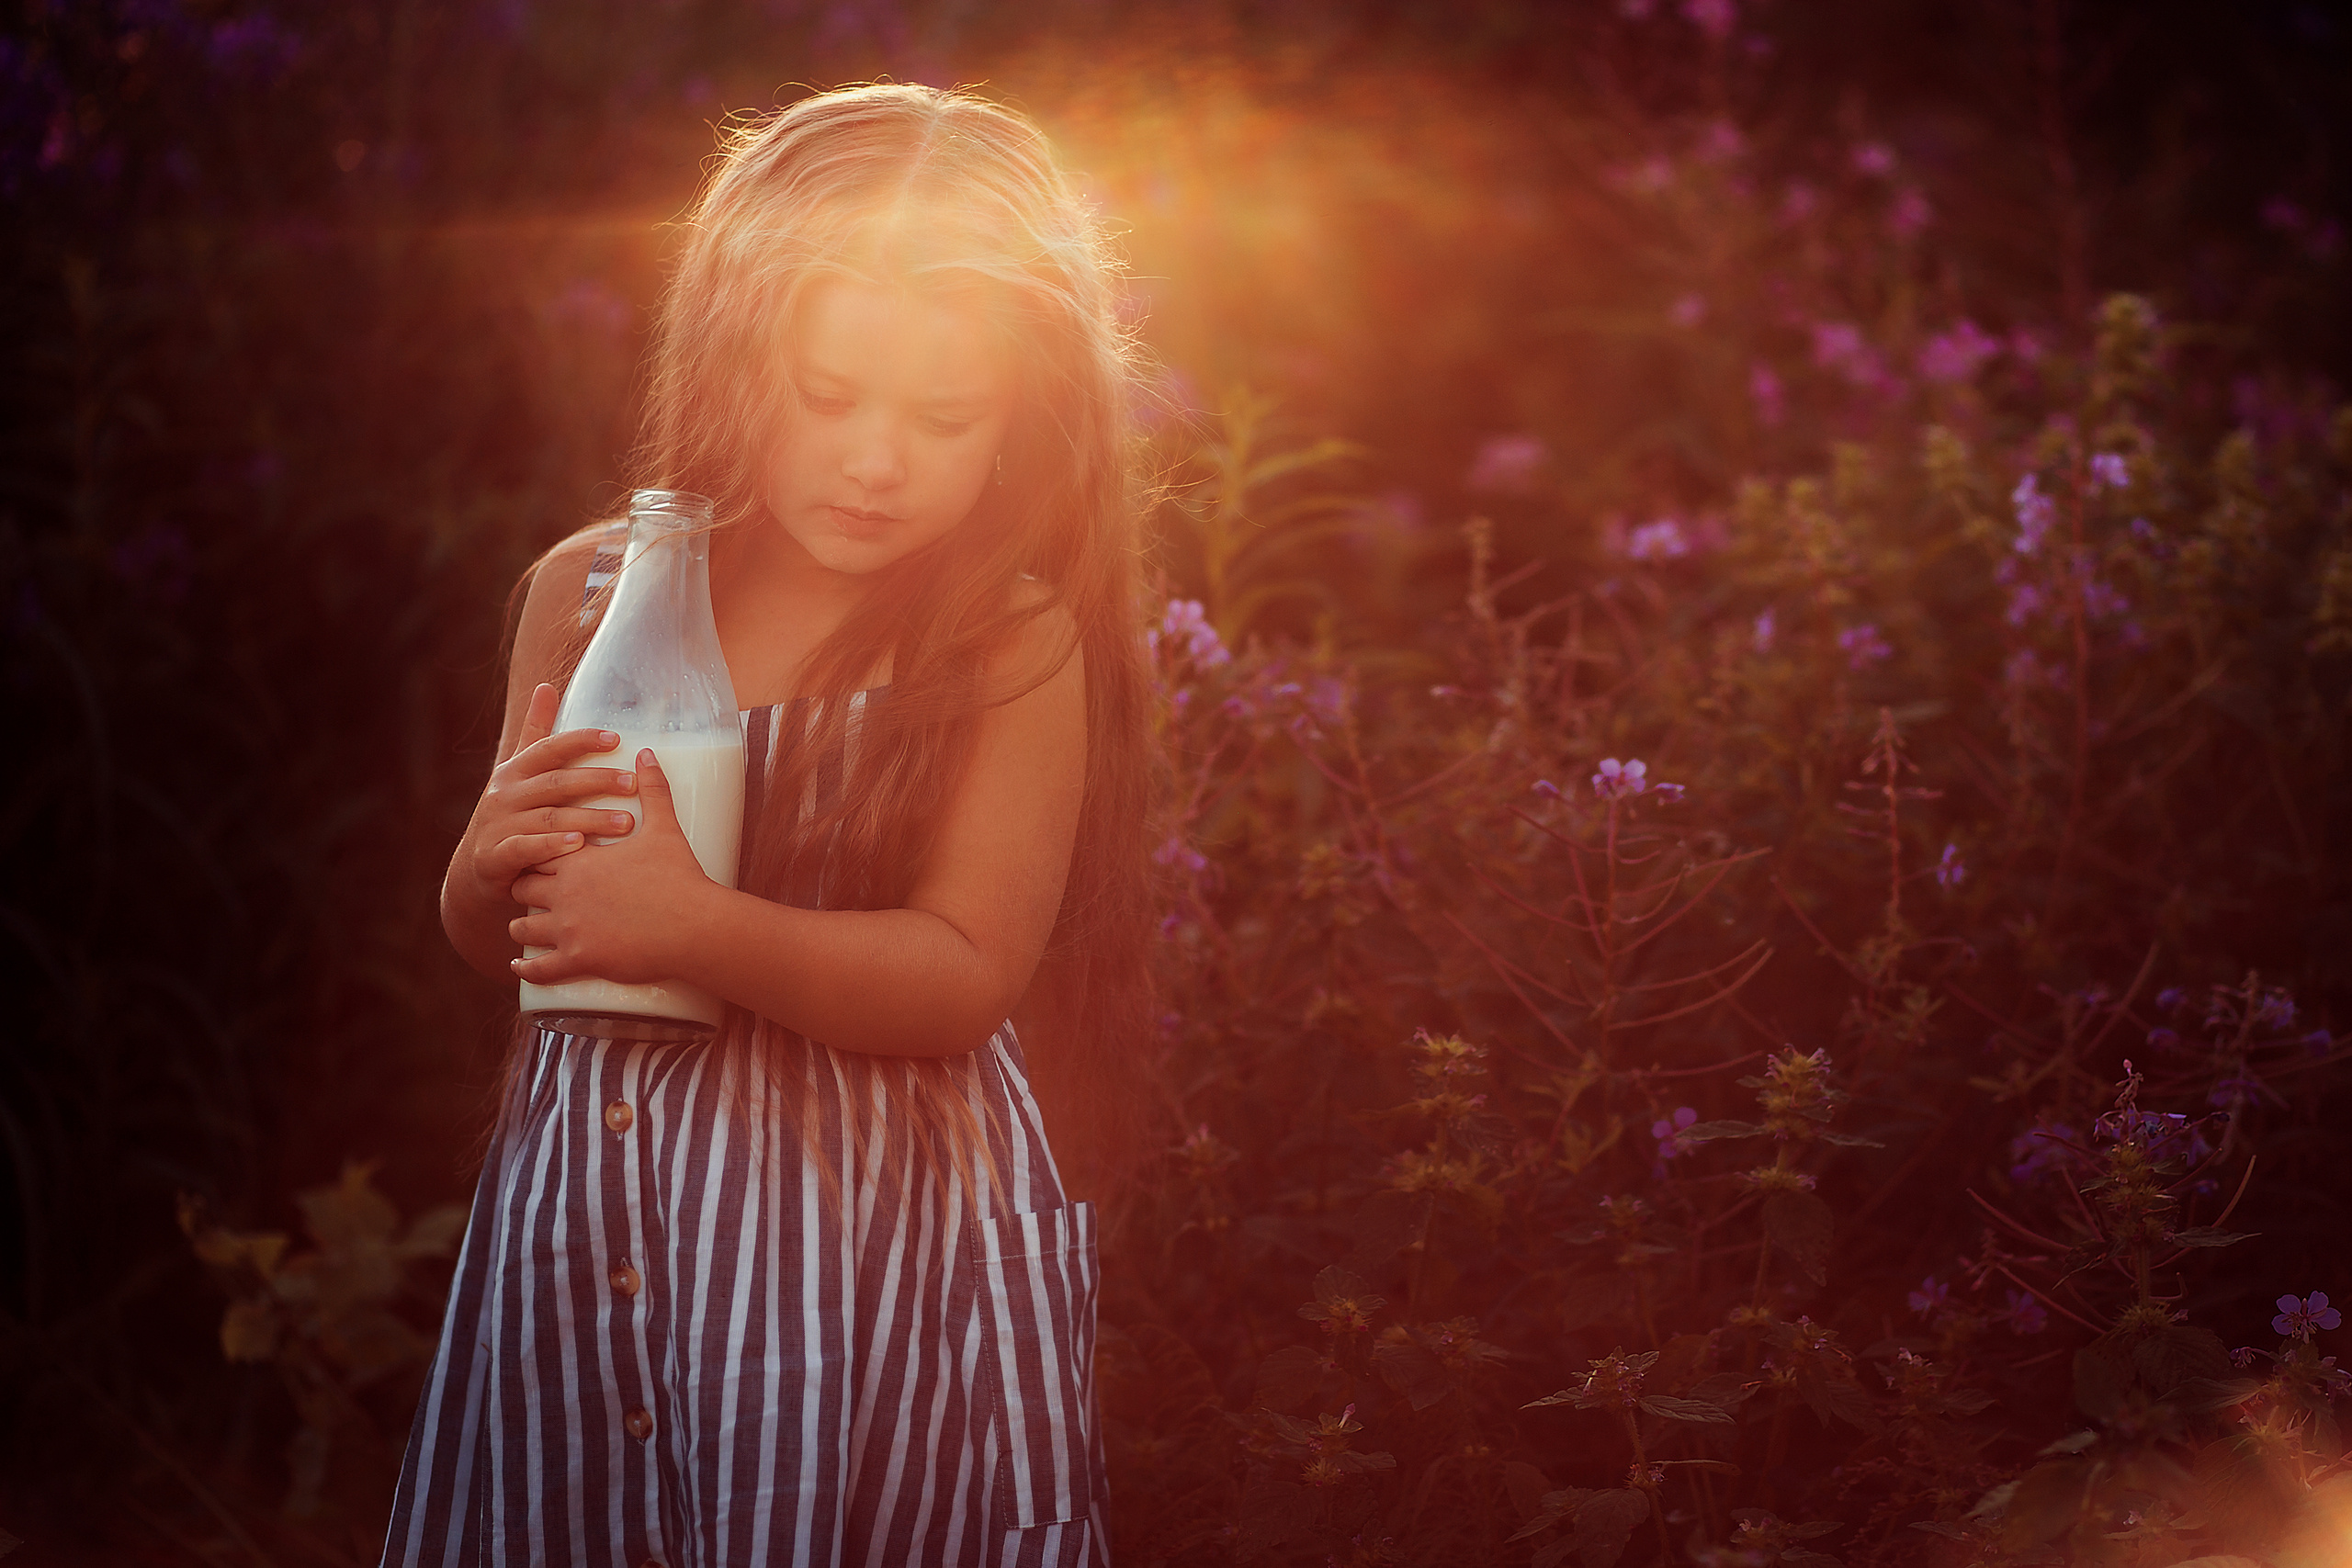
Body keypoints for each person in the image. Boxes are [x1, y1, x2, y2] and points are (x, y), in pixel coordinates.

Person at [381, 83, 1154, 1568]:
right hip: (598, 1220)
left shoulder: (1003, 643)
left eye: (945, 418)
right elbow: (521, 939)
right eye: (827, 396)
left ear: (1027, 411)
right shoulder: (596, 596)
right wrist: (484, 869)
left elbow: (965, 976)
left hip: (859, 1254)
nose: (877, 459)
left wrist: (702, 929)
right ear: (738, 357)